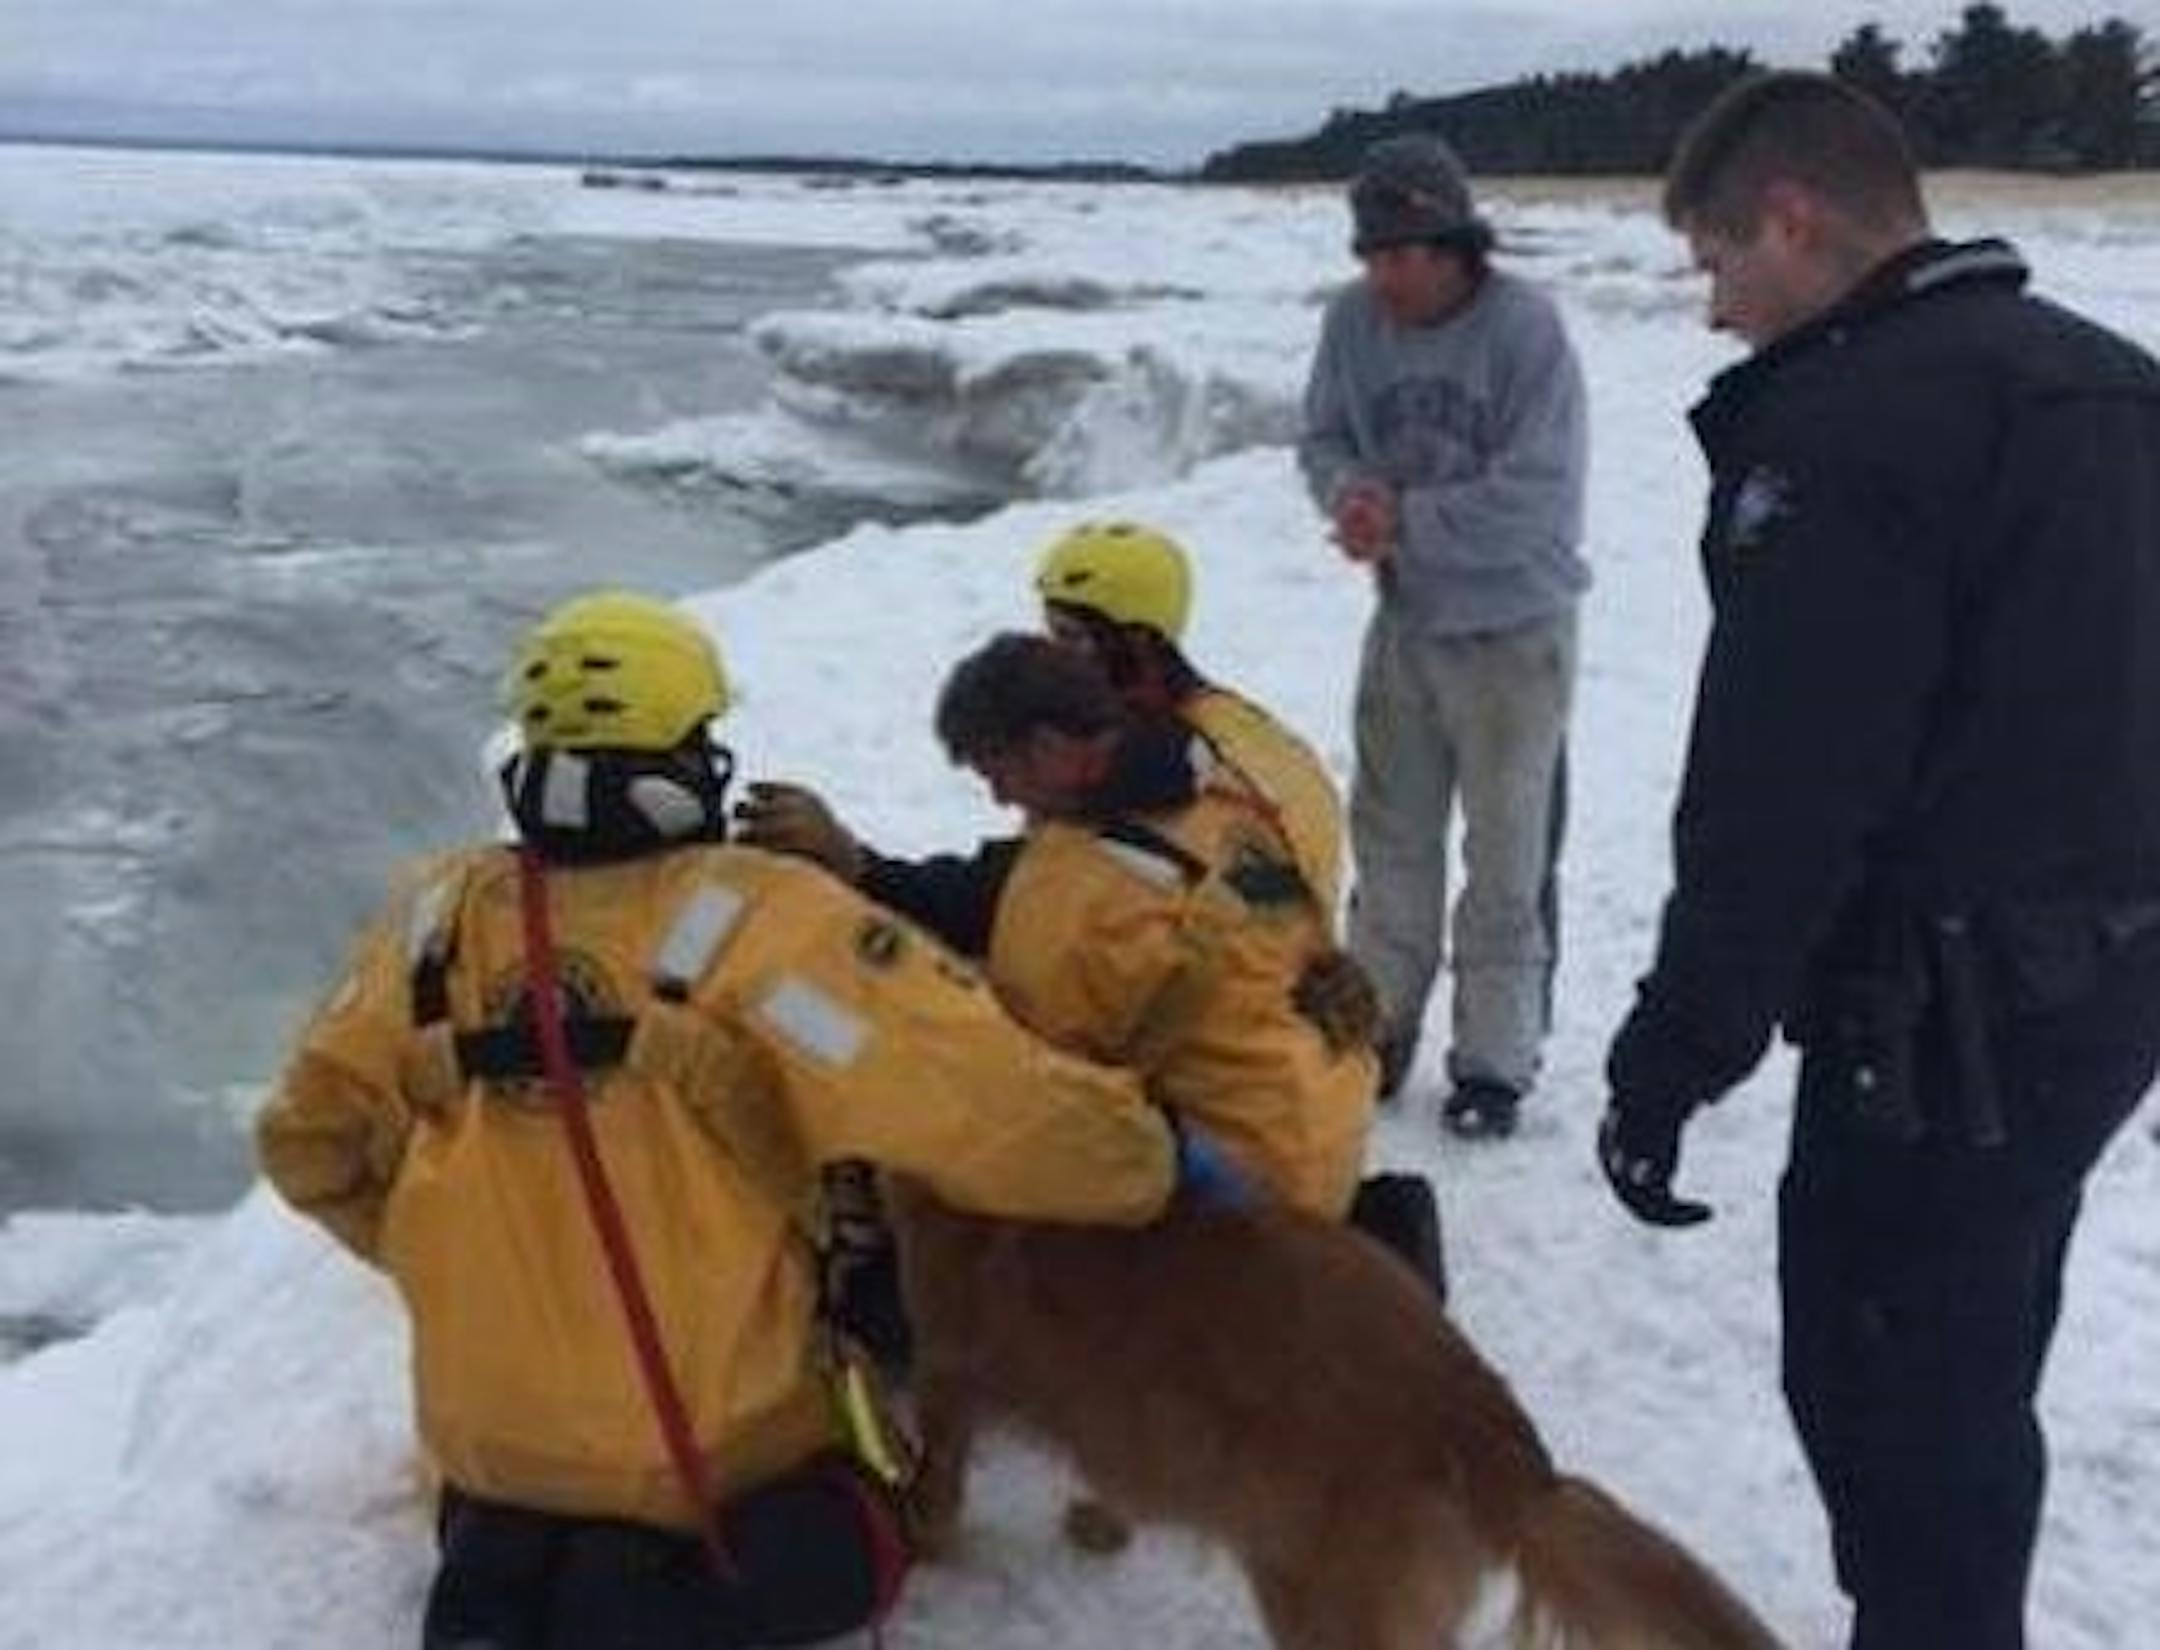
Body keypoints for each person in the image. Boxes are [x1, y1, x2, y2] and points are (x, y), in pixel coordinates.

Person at [255, 591, 1235, 1650]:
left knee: (525, 1519)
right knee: (857, 1538)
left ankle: (528, 1565)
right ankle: (643, 1589)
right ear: (684, 761)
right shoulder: (767, 927)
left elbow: (307, 1144)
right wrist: (1154, 1159)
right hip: (717, 1459)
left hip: (486, 1451)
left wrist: (453, 1257)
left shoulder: (431, 920)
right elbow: (989, 1107)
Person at [1596, 73, 2160, 1650]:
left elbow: (1783, 790)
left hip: (1946, 1025)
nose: (1712, 309)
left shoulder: (1856, 431)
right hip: (2096, 1000)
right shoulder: (2111, 382)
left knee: (1892, 1399)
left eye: (1717, 261)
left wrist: (1676, 1050)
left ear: (1793, 216)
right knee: (1968, 1373)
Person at [745, 632, 1375, 1222]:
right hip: (1317, 1122)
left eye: (998, 774)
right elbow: (1000, 885)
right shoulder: (1216, 779)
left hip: (1252, 1188)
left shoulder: (1085, 890)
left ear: (1047, 747)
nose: (998, 799)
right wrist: (861, 866)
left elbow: (1031, 1080)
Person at [1299, 130, 1589, 1141]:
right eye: (1370, 255)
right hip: (1406, 622)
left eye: (1401, 255)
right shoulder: (1352, 323)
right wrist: (1348, 496)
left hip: (1516, 636)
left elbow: (1539, 498)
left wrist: (1408, 519)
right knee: (1390, 842)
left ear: (1455, 246)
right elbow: (1325, 436)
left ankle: (1495, 1063)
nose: (1383, 276)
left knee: (1509, 860)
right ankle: (1375, 1032)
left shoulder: (1527, 334)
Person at [1031, 518, 1346, 915]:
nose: (1050, 657)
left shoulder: (1157, 760)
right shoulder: (1239, 722)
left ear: (1135, 641)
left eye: (1069, 637)